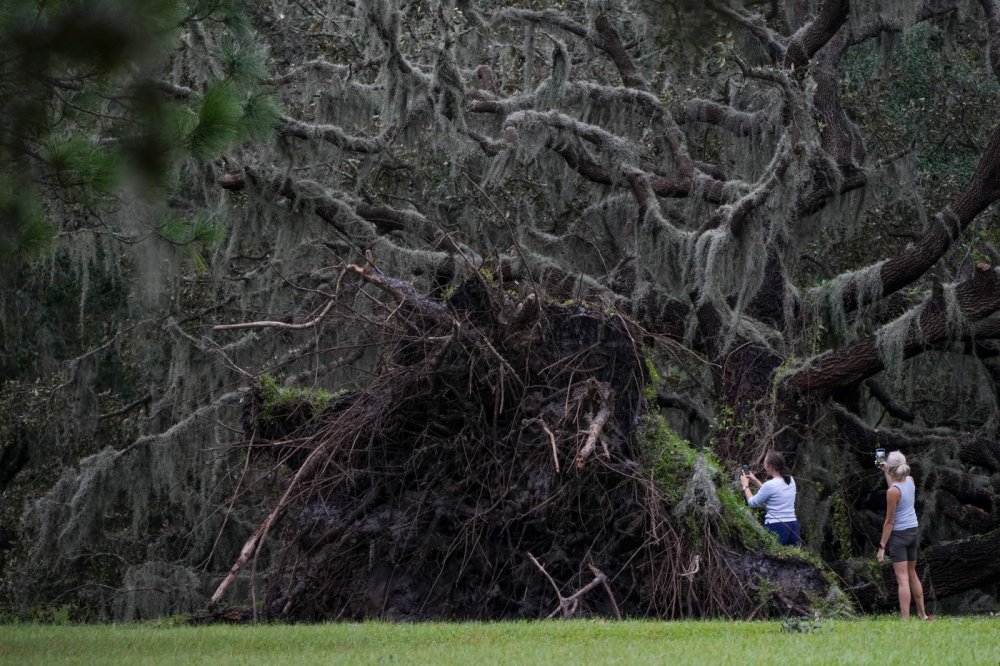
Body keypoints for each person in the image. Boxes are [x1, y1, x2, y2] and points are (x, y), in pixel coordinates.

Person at [877, 450, 932, 621]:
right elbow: (895, 487)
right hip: (913, 531)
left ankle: (905, 620)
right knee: (912, 572)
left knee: (902, 579)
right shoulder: (910, 481)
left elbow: (889, 522)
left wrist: (881, 547)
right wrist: (887, 470)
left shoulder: (893, 491)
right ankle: (922, 615)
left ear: (892, 468)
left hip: (899, 535)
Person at [739, 450, 800, 546]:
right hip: (793, 526)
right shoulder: (790, 480)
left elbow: (752, 502)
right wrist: (755, 480)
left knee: (773, 559)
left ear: (770, 466)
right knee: (793, 559)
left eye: (765, 464)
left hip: (777, 526)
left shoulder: (770, 485)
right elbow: (774, 492)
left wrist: (745, 485)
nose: (764, 467)